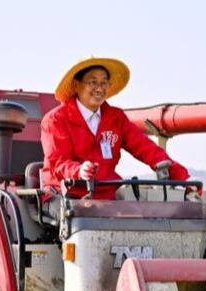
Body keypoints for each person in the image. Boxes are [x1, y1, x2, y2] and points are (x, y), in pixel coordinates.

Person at [40, 56, 190, 199]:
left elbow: (144, 147)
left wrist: (182, 176)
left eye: (104, 83)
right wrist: (79, 171)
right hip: (62, 194)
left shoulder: (116, 118)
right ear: (76, 85)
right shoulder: (55, 120)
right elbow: (58, 162)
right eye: (93, 82)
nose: (99, 89)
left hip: (105, 194)